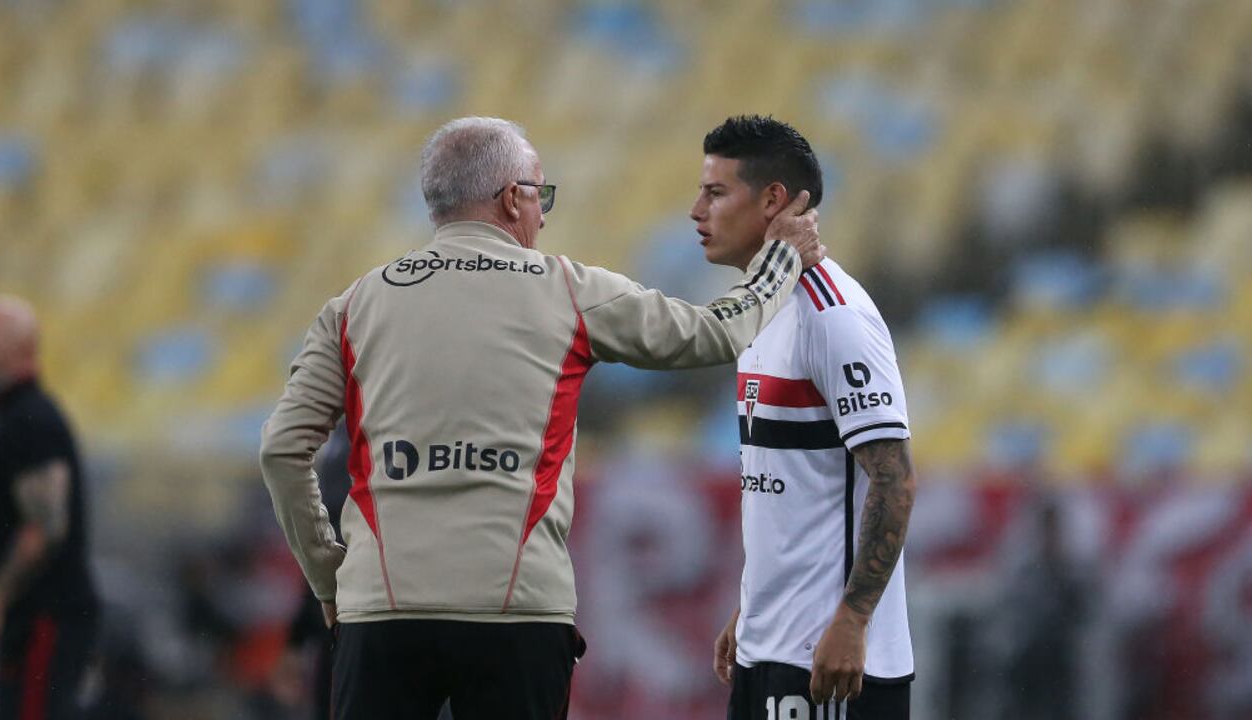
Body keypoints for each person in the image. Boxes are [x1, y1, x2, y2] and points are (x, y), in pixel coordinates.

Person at [259, 116, 823, 720]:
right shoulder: (569, 290)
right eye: (539, 196)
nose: (543, 215)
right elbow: (714, 333)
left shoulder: (354, 305)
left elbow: (282, 451)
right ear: (511, 199)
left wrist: (328, 574)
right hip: (517, 610)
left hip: (382, 608)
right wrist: (780, 259)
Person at [698, 116, 918, 720]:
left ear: (772, 200)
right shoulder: (760, 310)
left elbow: (894, 481)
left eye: (716, 193)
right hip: (768, 646)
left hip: (829, 660)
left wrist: (852, 621)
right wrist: (752, 607)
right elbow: (791, 485)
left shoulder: (833, 314)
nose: (697, 211)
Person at [0, 295, 100, 719]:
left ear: (17, 350)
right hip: (32, 618)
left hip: (46, 618)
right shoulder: (13, 416)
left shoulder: (31, 419)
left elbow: (45, 527)